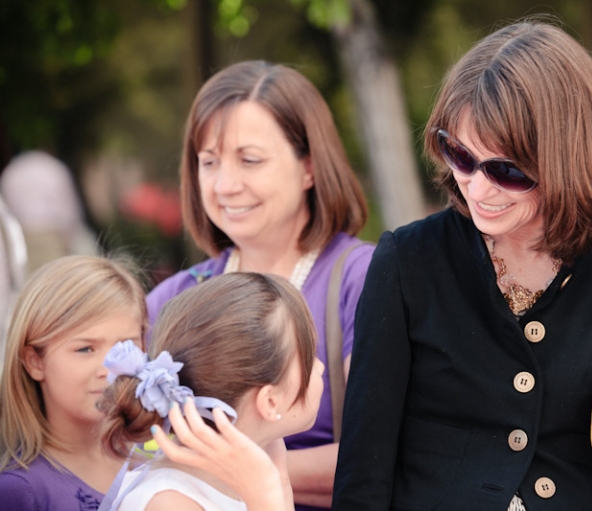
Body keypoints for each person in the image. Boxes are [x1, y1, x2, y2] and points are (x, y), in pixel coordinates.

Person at [333, 20, 592, 511]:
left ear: (568, 159)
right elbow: (364, 467)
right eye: (459, 154)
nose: (477, 188)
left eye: (506, 170)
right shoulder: (408, 260)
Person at [146, 59, 372, 510]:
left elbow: (381, 457)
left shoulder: (364, 278)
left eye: (249, 160)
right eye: (208, 162)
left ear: (309, 166)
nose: (226, 185)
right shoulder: (174, 299)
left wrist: (217, 468)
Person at [99, 272, 325, 510]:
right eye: (311, 357)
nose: (319, 368)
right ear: (269, 401)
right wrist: (267, 498)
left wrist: (279, 481)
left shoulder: (244, 484)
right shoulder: (170, 504)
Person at [0, 255, 147, 510]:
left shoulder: (159, 458)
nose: (109, 369)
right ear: (35, 361)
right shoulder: (20, 491)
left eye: (125, 346)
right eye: (85, 349)